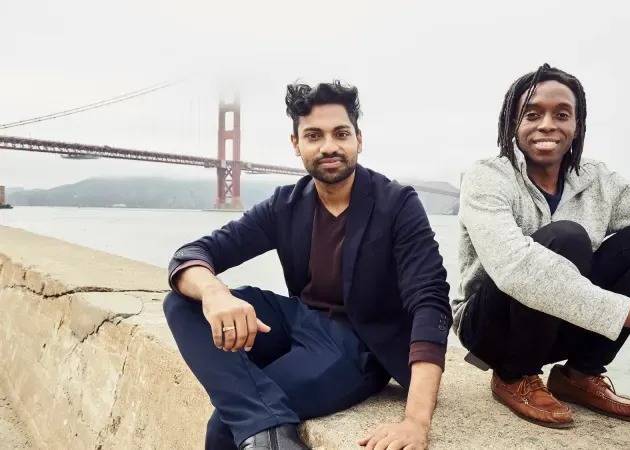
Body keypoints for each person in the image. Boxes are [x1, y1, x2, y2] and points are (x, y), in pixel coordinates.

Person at [163, 81, 452, 450]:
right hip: (300, 322)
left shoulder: (397, 204)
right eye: (314, 135)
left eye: (341, 133)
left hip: (357, 347)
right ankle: (270, 432)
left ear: (359, 140)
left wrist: (415, 421)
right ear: (296, 144)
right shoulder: (286, 204)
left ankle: (264, 429)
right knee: (182, 301)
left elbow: (430, 302)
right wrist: (214, 292)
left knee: (225, 425)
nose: (329, 146)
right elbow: (193, 253)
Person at [454, 64, 630, 428]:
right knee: (566, 238)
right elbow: (517, 270)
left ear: (577, 125)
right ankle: (515, 376)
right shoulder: (487, 177)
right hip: (493, 329)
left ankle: (580, 373)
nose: (547, 125)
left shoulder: (597, 180)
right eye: (532, 114)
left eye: (562, 115)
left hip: (565, 322)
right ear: (512, 123)